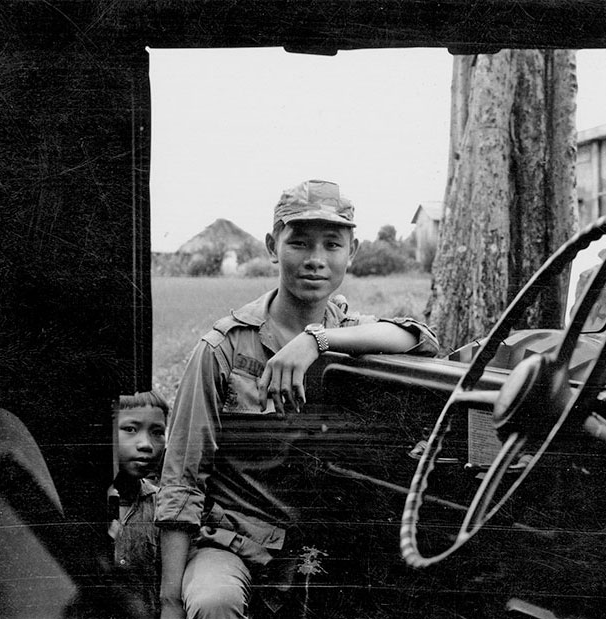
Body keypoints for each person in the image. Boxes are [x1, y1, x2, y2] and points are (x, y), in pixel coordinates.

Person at [155, 179, 439, 619]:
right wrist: (170, 601)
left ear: (353, 252)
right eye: (300, 243)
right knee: (214, 602)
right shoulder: (224, 349)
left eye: (332, 244)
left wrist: (316, 340)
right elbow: (182, 479)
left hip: (319, 548)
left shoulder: (347, 333)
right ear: (273, 246)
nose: (316, 260)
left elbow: (420, 339)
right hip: (236, 540)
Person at [109, 390, 170, 619]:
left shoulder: (165, 506)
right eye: (130, 429)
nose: (145, 444)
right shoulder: (81, 507)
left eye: (157, 432)